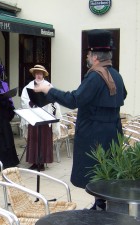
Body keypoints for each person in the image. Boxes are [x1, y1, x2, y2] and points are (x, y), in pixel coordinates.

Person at [34, 29, 127, 210]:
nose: (87, 56)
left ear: (95, 57)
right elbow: (122, 96)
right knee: (105, 171)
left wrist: (48, 90)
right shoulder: (117, 75)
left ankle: (100, 207)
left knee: (95, 173)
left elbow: (74, 99)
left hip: (95, 134)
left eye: (89, 53)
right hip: (113, 132)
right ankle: (100, 204)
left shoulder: (95, 76)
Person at [21, 65, 61, 170]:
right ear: (34, 74)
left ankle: (42, 162)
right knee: (33, 138)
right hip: (33, 116)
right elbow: (24, 100)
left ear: (43, 74)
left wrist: (45, 102)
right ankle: (34, 162)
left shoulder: (48, 86)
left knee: (43, 139)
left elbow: (53, 100)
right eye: (37, 73)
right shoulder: (28, 86)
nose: (38, 75)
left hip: (45, 116)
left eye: (40, 73)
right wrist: (31, 103)